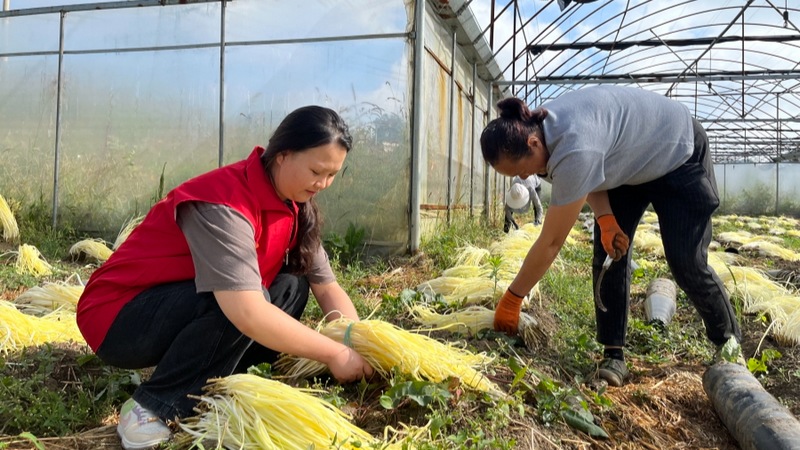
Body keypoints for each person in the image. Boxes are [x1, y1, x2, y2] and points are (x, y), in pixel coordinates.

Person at [76, 106, 375, 450]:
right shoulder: (225, 202)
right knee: (236, 300)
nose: (322, 184)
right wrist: (334, 354)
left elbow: (327, 287)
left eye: (332, 174)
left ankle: (222, 387)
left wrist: (356, 343)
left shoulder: (295, 206)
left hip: (171, 307)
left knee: (290, 287)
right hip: (119, 319)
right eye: (316, 171)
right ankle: (152, 408)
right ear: (283, 155)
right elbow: (246, 312)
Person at [479, 85, 742, 387]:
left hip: (677, 153)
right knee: (610, 252)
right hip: (628, 164)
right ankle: (613, 353)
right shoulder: (545, 133)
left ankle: (729, 344)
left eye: (522, 170)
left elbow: (550, 242)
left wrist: (514, 297)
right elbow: (592, 169)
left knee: (686, 261)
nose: (525, 177)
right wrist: (606, 219)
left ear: (533, 143)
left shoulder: (573, 144)